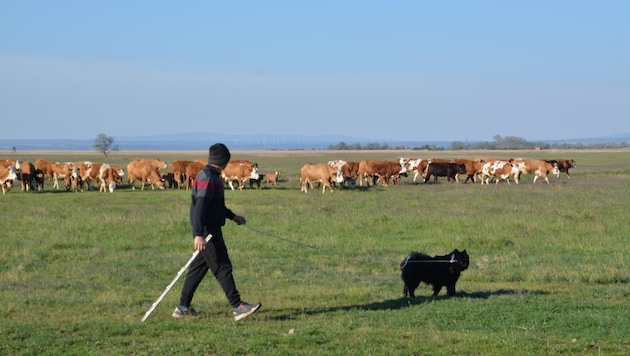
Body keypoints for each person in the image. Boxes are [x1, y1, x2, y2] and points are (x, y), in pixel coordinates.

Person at [173, 143, 261, 321]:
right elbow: (200, 207)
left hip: (209, 228)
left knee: (197, 269)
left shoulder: (211, 175)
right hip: (207, 230)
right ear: (224, 161)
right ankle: (238, 307)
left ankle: (183, 307)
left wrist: (232, 216)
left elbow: (216, 206)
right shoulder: (207, 177)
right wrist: (198, 234)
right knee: (222, 266)